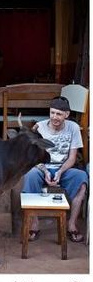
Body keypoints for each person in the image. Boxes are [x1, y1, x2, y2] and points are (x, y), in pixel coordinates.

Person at [22, 96, 88, 242]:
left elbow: (72, 158)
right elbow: (31, 157)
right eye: (52, 113)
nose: (54, 117)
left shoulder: (74, 128)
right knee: (30, 175)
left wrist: (59, 172)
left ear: (67, 114)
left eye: (58, 114)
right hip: (41, 167)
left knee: (82, 179)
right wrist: (45, 171)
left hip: (63, 168)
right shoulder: (39, 127)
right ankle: (34, 224)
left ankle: (71, 225)